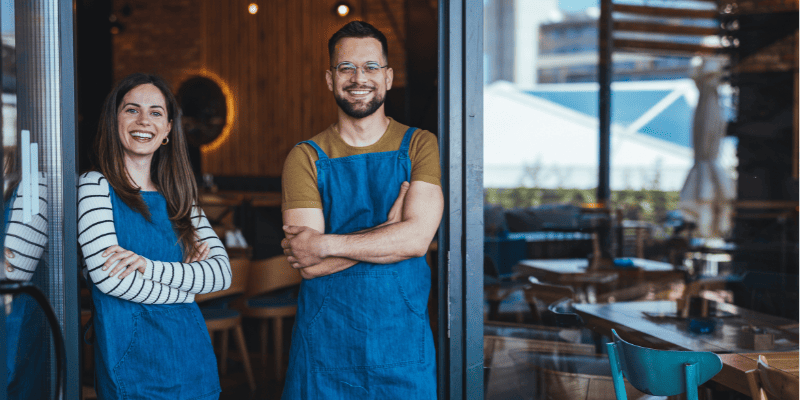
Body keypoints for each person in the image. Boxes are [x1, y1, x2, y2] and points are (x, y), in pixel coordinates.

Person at [280, 21, 443, 399]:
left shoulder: (420, 145)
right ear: (329, 78)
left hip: (403, 347)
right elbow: (308, 262)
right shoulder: (305, 157)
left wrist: (325, 244)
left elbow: (417, 239)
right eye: (346, 68)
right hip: (324, 353)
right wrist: (388, 231)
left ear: (387, 77)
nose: (359, 78)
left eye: (371, 67)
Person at [77, 73, 231, 400]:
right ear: (114, 120)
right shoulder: (94, 186)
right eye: (131, 110)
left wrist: (148, 267)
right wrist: (187, 288)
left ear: (167, 129)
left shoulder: (180, 198)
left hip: (192, 357)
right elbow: (110, 280)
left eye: (156, 112)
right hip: (132, 364)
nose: (143, 120)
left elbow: (221, 275)